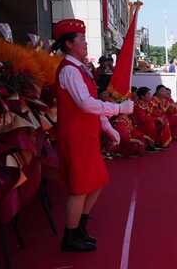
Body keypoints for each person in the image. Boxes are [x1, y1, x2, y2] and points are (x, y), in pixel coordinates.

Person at [52, 19, 134, 252]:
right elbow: (86, 104)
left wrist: (108, 128)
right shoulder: (69, 70)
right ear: (69, 44)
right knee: (79, 188)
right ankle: (71, 236)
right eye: (82, 40)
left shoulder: (79, 68)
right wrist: (119, 109)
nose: (86, 44)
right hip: (76, 137)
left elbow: (91, 106)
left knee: (96, 182)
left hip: (86, 135)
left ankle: (80, 227)